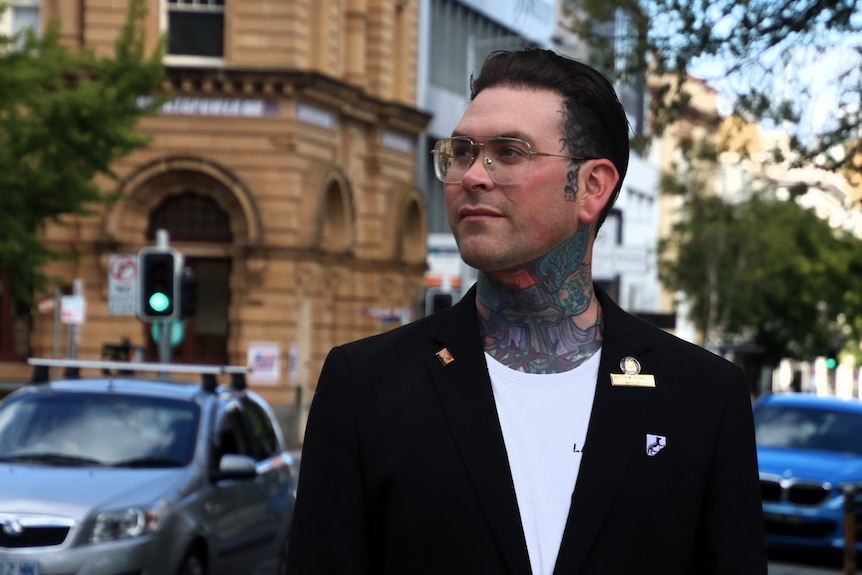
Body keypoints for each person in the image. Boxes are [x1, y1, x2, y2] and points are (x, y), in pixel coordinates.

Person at [286, 48, 767, 574]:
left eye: (509, 153)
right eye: (462, 152)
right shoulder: (366, 385)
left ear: (592, 187)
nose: (473, 175)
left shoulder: (702, 397)